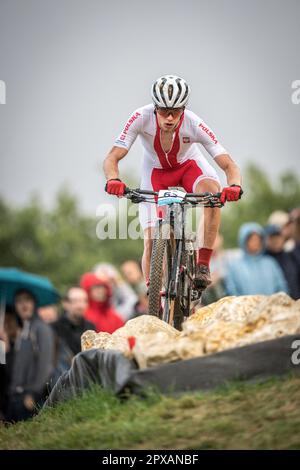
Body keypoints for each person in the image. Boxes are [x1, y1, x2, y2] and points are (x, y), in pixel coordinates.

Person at [103, 75, 243, 292]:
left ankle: (203, 264)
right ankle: (153, 295)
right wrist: (113, 179)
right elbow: (112, 157)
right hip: (155, 172)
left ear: (184, 110)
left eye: (176, 112)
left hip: (188, 166)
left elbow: (229, 165)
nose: (169, 118)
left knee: (213, 197)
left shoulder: (194, 123)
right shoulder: (140, 116)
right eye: (163, 111)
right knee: (150, 239)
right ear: (155, 107)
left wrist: (234, 185)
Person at [6, 289, 55, 422]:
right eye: (19, 301)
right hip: (14, 398)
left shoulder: (41, 328)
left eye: (27, 300)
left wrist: (33, 393)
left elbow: (46, 365)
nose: (23, 305)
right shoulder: (23, 331)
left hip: (29, 398)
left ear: (34, 303)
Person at [224, 223, 288, 296]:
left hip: (271, 306)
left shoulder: (270, 263)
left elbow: (281, 287)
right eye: (252, 239)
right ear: (244, 240)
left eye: (258, 239)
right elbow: (232, 291)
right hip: (245, 306)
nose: (255, 242)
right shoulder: (234, 267)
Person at [265, 224, 300, 299]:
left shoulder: (292, 256)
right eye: (272, 237)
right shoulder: (264, 261)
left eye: (278, 236)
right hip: (274, 305)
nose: (276, 240)